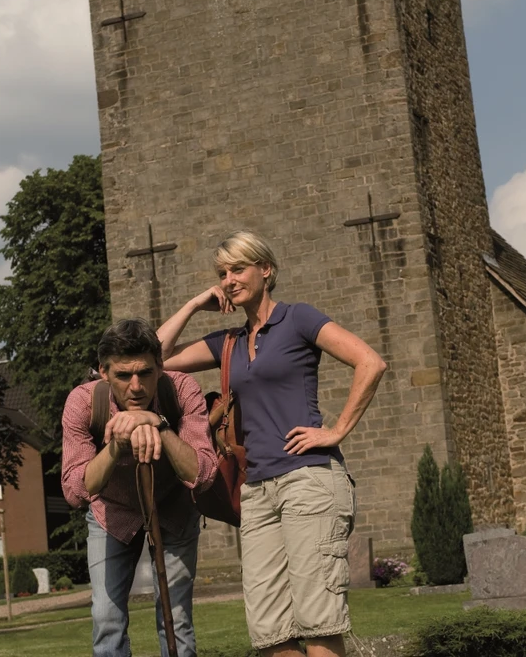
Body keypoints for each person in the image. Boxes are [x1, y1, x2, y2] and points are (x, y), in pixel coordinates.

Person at [159, 231, 387, 657]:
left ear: (266, 269)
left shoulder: (298, 318)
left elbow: (370, 362)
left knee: (319, 623)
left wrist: (336, 431)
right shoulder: (228, 342)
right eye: (222, 273)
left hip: (309, 481)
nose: (228, 280)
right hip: (257, 492)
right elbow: (150, 361)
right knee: (270, 633)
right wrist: (193, 305)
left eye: (238, 268)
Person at [61, 318, 218, 657]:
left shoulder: (182, 390)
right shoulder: (83, 403)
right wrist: (116, 445)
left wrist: (159, 425)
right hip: (112, 512)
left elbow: (204, 475)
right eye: (123, 375)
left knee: (175, 618)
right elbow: (74, 491)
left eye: (145, 373)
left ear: (160, 365)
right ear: (103, 372)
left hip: (174, 508)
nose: (136, 386)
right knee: (106, 619)